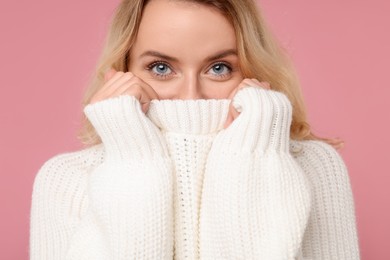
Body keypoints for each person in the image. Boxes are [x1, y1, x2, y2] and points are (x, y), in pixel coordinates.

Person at [29, 0, 361, 259]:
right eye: (161, 68)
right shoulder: (66, 180)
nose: (191, 95)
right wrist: (131, 157)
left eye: (219, 68)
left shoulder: (314, 168)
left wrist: (251, 158)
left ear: (251, 67)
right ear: (123, 69)